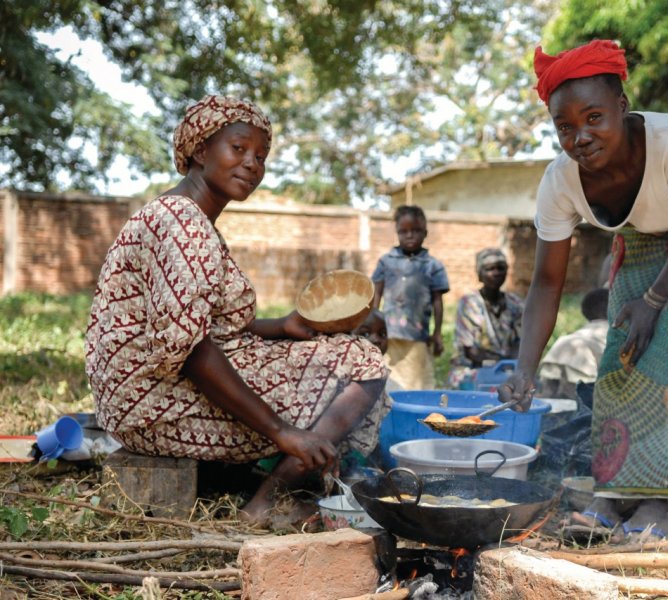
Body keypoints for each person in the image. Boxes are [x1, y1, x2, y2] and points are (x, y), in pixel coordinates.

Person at [84, 95, 389, 525]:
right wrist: (283, 432)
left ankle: (282, 483)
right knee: (363, 362)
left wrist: (282, 326)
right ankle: (270, 499)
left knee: (346, 355)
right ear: (199, 150)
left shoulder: (182, 215)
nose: (252, 164)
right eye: (239, 148)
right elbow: (192, 350)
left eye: (261, 156)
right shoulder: (183, 225)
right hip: (153, 405)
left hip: (139, 396)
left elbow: (209, 328)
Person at [499, 40, 668, 539]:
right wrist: (525, 369)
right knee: (622, 352)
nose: (580, 137)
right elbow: (547, 283)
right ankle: (615, 494)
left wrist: (654, 302)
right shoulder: (561, 182)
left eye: (594, 118)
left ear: (622, 106)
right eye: (565, 127)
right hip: (643, 230)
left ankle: (663, 503)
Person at [371, 205, 450, 390]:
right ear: (397, 232)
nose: (409, 235)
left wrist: (437, 333)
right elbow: (377, 293)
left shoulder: (432, 265)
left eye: (416, 231)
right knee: (389, 382)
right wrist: (373, 326)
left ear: (425, 232)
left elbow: (438, 301)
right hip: (389, 334)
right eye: (403, 231)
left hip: (418, 336)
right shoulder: (386, 261)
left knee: (419, 382)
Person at [447, 248, 524, 389]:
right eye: (489, 269)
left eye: (500, 268)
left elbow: (519, 344)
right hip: (472, 367)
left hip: (505, 367)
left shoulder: (516, 304)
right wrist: (500, 364)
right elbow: (470, 351)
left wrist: (509, 367)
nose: (496, 273)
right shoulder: (469, 303)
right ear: (479, 275)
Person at [536, 287, 610, 400]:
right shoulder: (613, 331)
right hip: (585, 367)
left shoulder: (581, 332)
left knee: (550, 394)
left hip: (562, 346)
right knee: (581, 402)